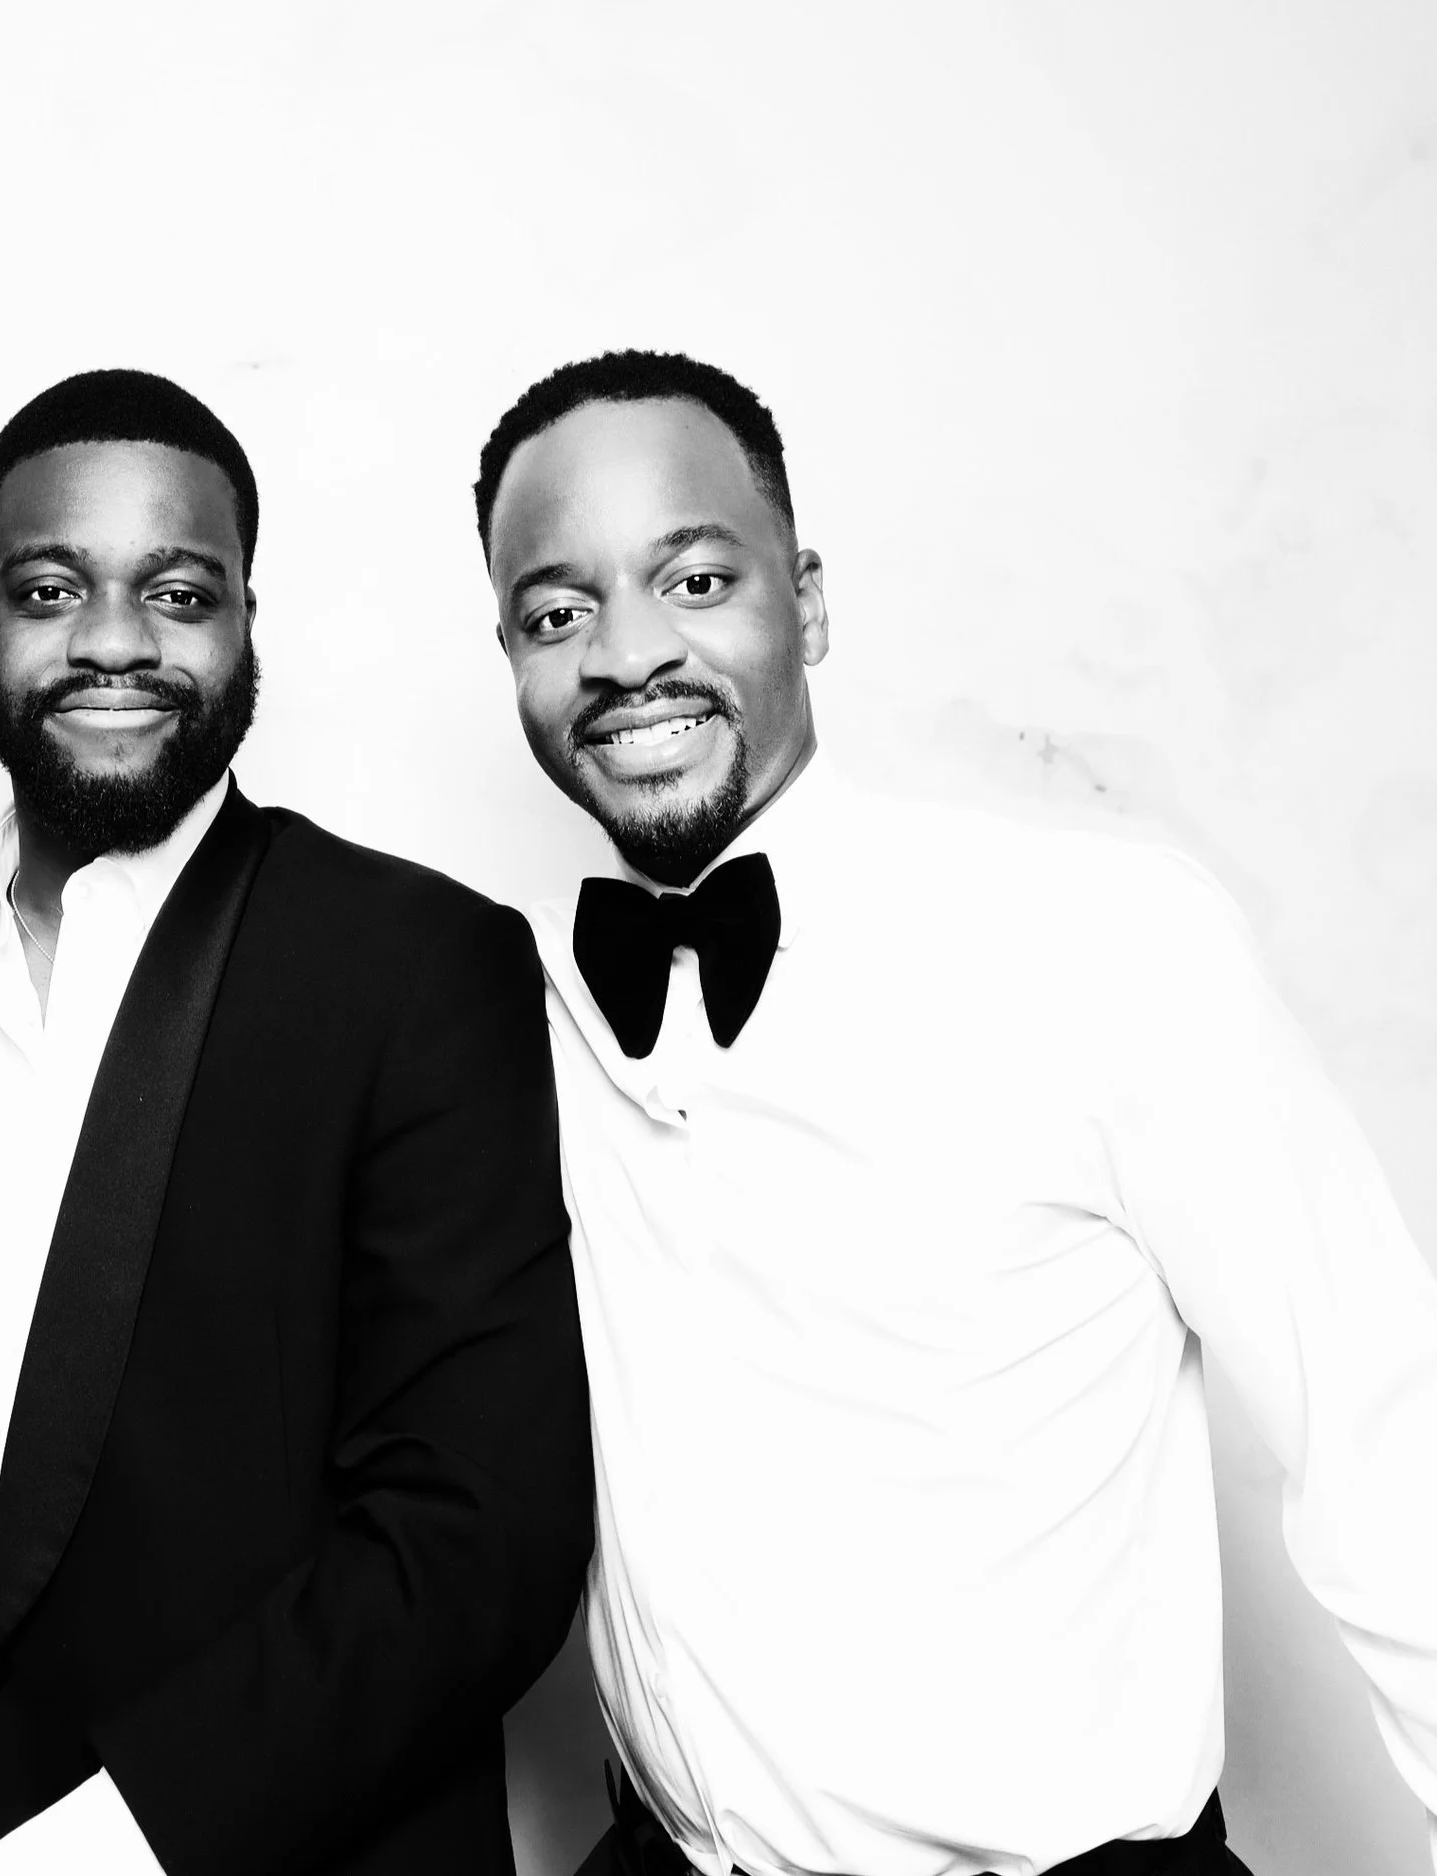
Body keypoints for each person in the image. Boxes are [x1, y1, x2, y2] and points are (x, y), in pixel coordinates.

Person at [476, 349, 1437, 1875]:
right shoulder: (494, 1014)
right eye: (557, 611)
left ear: (810, 597)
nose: (627, 653)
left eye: (697, 577)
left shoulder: (1105, 945)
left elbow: (1393, 1450)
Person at [0, 369, 594, 1876]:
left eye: (178, 591)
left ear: (250, 622)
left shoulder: (416, 966)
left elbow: (477, 1530)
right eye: (53, 588)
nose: (114, 640)